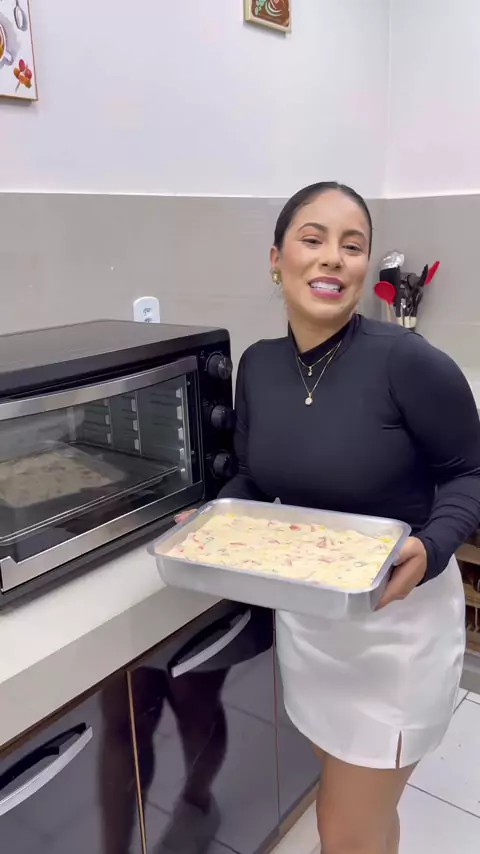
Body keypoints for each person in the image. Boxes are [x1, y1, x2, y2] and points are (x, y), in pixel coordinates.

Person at [215, 182, 480, 854]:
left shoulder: (408, 363)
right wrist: (211, 521)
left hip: (398, 627)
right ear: (276, 259)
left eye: (352, 245)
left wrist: (434, 546)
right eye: (313, 239)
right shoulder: (259, 365)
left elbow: (469, 472)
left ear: (364, 268)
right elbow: (253, 476)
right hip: (311, 624)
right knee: (360, 807)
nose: (333, 257)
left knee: (343, 827)